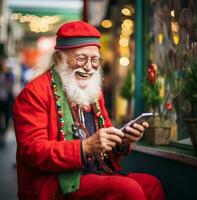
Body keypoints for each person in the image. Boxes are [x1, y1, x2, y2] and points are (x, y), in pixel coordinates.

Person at [13, 21, 166, 200]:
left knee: (152, 184)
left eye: (94, 60)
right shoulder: (34, 93)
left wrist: (122, 140)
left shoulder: (93, 92)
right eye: (81, 58)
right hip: (57, 182)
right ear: (59, 58)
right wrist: (84, 147)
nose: (89, 67)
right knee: (127, 189)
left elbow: (106, 144)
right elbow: (33, 151)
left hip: (97, 172)